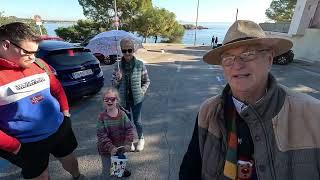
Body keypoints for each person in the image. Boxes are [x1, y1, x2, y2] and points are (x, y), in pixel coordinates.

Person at [179, 20, 320, 180]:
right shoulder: (209, 112)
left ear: (269, 59)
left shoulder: (313, 115)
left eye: (248, 54)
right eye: (228, 58)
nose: (237, 65)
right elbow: (189, 172)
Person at [0, 22, 84, 179]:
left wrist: (66, 114)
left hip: (59, 129)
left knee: (70, 161)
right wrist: (15, 147)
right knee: (41, 176)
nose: (33, 57)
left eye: (35, 52)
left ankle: (78, 176)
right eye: (28, 52)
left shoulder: (39, 63)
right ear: (6, 45)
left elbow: (57, 89)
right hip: (27, 144)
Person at [112, 38, 150, 152]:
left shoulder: (139, 65)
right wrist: (117, 79)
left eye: (130, 50)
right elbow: (114, 85)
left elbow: (147, 81)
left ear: (133, 50)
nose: (127, 53)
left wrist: (141, 92)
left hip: (137, 99)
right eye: (124, 51)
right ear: (121, 51)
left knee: (137, 121)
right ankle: (130, 140)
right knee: (127, 122)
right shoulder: (117, 66)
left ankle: (141, 138)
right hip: (123, 100)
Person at [96, 87, 134, 178]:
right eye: (106, 99)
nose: (110, 101)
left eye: (112, 99)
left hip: (120, 147)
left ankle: (121, 171)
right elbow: (101, 135)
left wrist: (128, 143)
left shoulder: (122, 115)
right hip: (106, 150)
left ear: (117, 100)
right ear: (103, 101)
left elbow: (129, 129)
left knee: (118, 168)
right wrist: (110, 148)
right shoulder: (101, 117)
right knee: (107, 171)